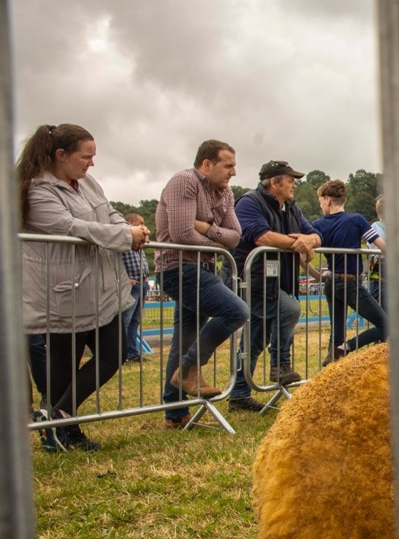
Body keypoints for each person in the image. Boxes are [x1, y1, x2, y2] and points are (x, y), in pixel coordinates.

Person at [19, 123, 146, 452]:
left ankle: (56, 418)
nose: (92, 163)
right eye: (86, 156)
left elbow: (109, 211)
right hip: (64, 292)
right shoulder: (36, 191)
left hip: (101, 289)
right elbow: (71, 227)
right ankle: (66, 431)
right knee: (64, 366)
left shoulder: (88, 182)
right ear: (61, 155)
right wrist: (124, 237)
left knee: (114, 353)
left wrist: (129, 230)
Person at [155, 140, 251, 428]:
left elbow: (236, 237)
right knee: (237, 311)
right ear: (207, 164)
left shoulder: (225, 192)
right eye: (228, 165)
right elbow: (183, 233)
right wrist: (216, 243)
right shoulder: (184, 181)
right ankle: (189, 368)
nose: (233, 172)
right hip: (178, 268)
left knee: (184, 340)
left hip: (201, 268)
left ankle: (175, 414)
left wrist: (206, 228)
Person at [227, 160, 321, 411]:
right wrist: (299, 243)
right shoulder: (249, 203)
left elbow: (314, 233)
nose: (294, 185)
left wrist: (310, 240)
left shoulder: (291, 207)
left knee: (255, 340)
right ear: (274, 183)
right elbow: (262, 237)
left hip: (277, 281)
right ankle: (280, 364)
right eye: (290, 180)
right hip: (252, 280)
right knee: (289, 309)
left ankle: (238, 395)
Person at [311, 179, 386, 366]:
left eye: (320, 202)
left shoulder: (318, 225)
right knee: (386, 325)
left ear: (328, 200)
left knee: (336, 334)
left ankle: (332, 364)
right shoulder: (356, 220)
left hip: (332, 282)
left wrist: (318, 276)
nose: (321, 206)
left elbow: (303, 257)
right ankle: (349, 346)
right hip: (351, 283)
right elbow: (382, 246)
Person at [120, 213, 150, 363]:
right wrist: (126, 279)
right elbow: (118, 260)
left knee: (135, 321)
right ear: (131, 222)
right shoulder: (123, 237)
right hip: (131, 284)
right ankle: (122, 355)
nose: (143, 226)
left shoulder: (138, 239)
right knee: (126, 320)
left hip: (141, 282)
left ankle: (131, 353)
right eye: (140, 223)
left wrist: (145, 277)